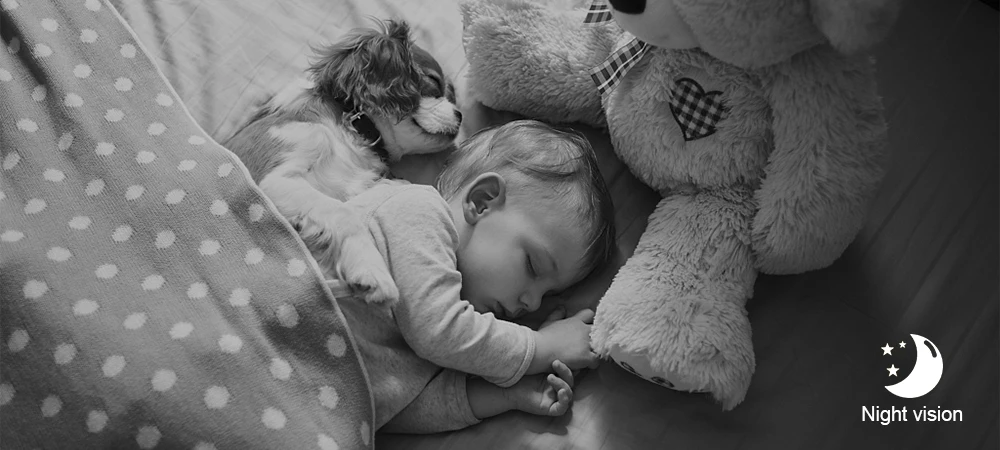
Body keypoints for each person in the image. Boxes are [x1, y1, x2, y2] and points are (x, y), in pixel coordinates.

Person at [333, 119, 616, 433]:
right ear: (481, 202)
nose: (533, 304)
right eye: (533, 267)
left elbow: (391, 406)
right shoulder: (417, 210)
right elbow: (439, 332)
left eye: (549, 295)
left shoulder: (436, 334)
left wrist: (506, 394)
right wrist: (541, 347)